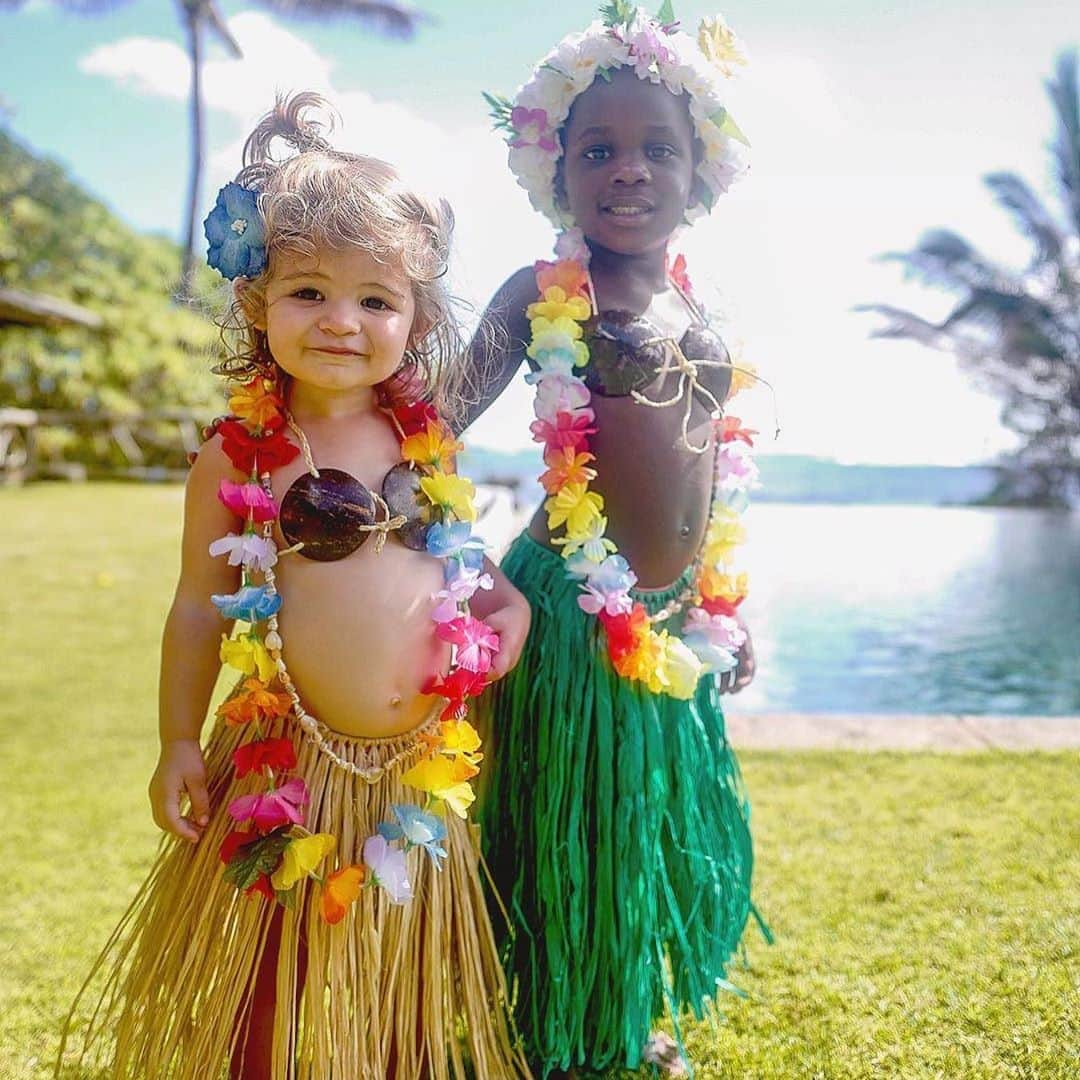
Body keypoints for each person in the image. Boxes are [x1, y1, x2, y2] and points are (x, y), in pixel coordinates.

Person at [57, 92, 531, 1080]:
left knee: (401, 989)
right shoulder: (236, 455)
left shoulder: (424, 446)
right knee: (258, 992)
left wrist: (505, 617)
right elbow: (196, 605)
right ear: (254, 302)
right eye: (308, 291)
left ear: (417, 317)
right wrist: (179, 740)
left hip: (411, 776)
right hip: (281, 774)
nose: (341, 322)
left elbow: (466, 573)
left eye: (375, 298)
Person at [467, 6, 771, 1076]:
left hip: (674, 622)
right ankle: (566, 1030)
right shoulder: (545, 297)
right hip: (569, 613)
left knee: (640, 826)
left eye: (658, 148)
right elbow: (432, 419)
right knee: (572, 831)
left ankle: (624, 1011)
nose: (628, 170)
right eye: (599, 148)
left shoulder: (704, 318)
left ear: (701, 174)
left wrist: (727, 611)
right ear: (558, 168)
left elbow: (709, 488)